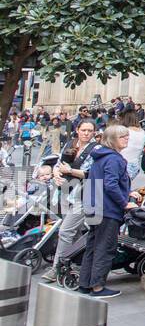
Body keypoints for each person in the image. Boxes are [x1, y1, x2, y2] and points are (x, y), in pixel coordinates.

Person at [78, 124, 132, 299]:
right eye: (122, 136)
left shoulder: (100, 157)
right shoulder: (114, 159)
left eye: (127, 136)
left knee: (93, 246)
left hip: (94, 207)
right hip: (107, 209)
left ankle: (85, 283)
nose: (126, 139)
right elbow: (111, 184)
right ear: (112, 140)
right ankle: (98, 287)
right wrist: (124, 203)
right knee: (105, 248)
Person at [45, 118, 97, 282]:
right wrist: (56, 174)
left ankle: (57, 268)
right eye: (84, 130)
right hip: (66, 192)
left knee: (66, 231)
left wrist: (70, 171)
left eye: (90, 131)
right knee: (74, 232)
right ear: (78, 130)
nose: (86, 133)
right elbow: (58, 164)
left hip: (84, 194)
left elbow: (91, 173)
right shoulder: (70, 144)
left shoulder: (96, 149)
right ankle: (77, 263)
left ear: (94, 133)